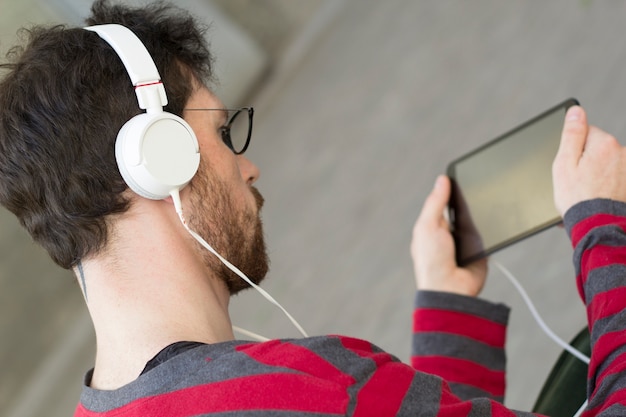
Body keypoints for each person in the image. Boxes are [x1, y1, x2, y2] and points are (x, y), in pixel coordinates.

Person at [1, 1, 626, 416]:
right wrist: (602, 223)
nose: (249, 167)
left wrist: (450, 308)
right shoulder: (311, 388)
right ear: (156, 159)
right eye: (222, 133)